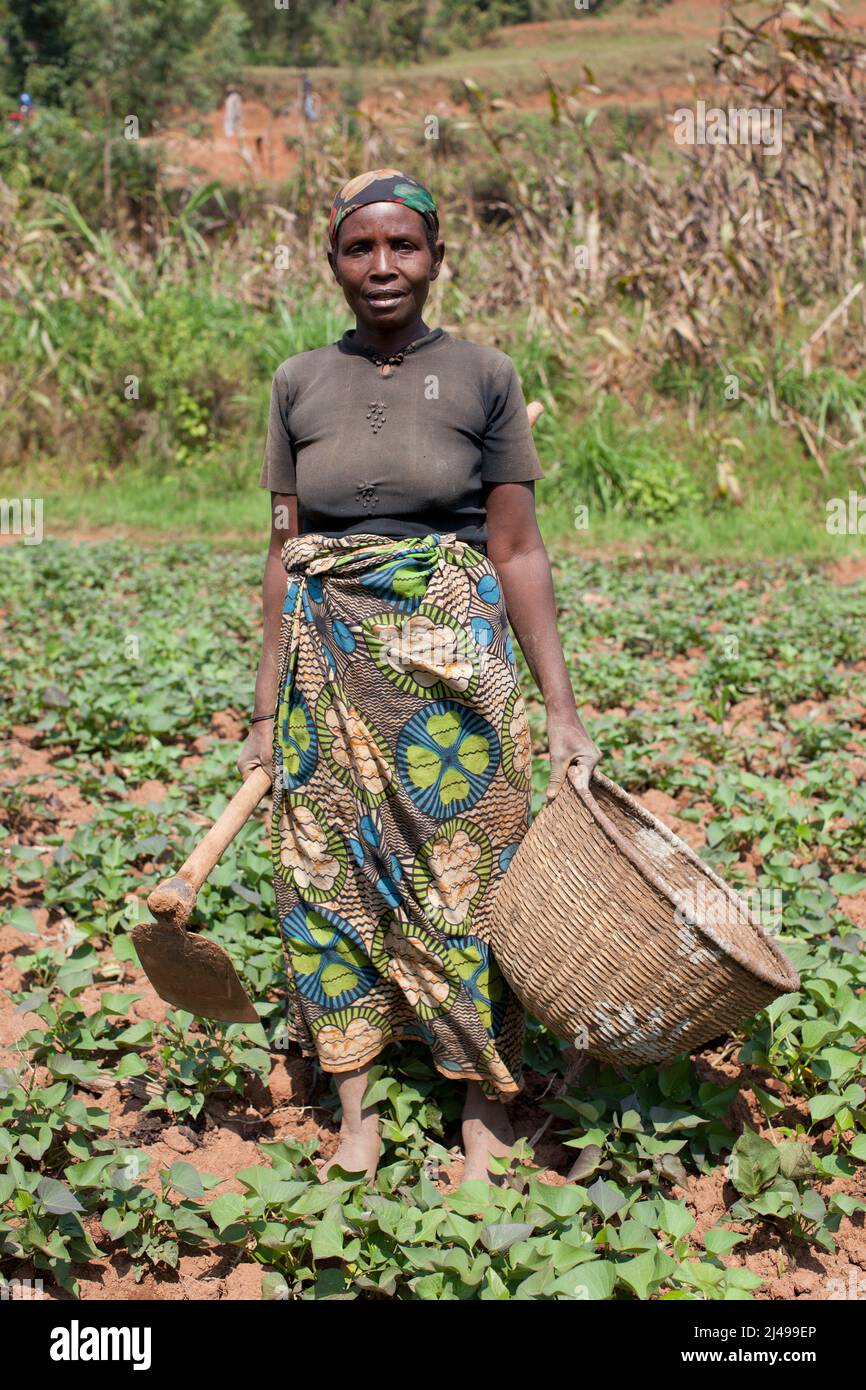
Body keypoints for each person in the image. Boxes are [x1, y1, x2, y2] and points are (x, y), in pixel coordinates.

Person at [239, 168, 601, 1187]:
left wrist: (561, 709)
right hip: (325, 663)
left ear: (436, 258)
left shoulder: (483, 374)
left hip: (451, 664)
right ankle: (355, 1105)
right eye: (360, 248)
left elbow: (518, 549)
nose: (382, 266)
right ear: (333, 263)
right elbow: (282, 547)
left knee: (469, 876)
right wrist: (264, 708)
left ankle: (485, 1104)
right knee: (324, 874)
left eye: (403, 246)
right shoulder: (298, 381)